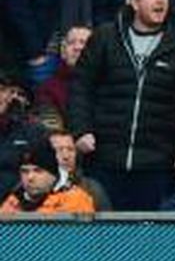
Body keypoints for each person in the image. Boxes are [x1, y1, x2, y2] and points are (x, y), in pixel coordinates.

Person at [68, 0, 175, 210]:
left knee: (148, 239)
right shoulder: (105, 37)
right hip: (104, 159)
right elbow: (81, 87)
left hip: (156, 164)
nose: (160, 1)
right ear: (134, 2)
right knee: (102, 239)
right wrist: (81, 130)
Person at [0, 136, 94, 213]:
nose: (30, 177)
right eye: (25, 171)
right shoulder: (12, 202)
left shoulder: (75, 200)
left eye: (38, 171)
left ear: (53, 175)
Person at [33, 25, 92, 130]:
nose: (77, 47)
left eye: (84, 42)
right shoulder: (48, 88)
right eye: (71, 43)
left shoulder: (110, 83)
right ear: (63, 52)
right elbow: (51, 131)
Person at [0, 71, 47, 200]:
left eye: (2, 90)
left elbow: (45, 173)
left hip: (19, 207)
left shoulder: (32, 130)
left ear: (10, 95)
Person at [49, 129, 111, 210]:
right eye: (59, 150)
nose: (66, 156)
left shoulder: (92, 189)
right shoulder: (36, 188)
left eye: (70, 150)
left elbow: (107, 221)